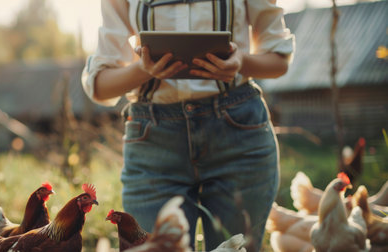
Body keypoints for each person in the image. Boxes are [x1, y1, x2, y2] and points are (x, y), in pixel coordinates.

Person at [81, 0, 294, 250]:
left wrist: (241, 62)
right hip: (153, 142)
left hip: (238, 135)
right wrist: (143, 69)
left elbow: (279, 59)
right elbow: (101, 85)